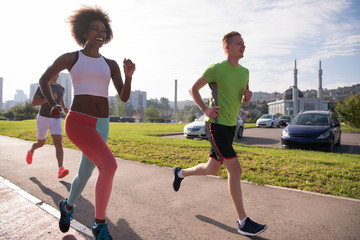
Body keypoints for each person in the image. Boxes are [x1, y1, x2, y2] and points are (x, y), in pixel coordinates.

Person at [38, 6, 135, 240]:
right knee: (109, 166)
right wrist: (52, 103)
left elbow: (123, 96)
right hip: (79, 123)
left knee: (84, 174)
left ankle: (67, 207)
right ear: (84, 31)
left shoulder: (110, 64)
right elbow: (43, 79)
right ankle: (99, 224)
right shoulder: (71, 58)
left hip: (102, 124)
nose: (100, 33)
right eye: (95, 28)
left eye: (103, 30)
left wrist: (129, 75)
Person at [172, 31, 267, 236]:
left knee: (212, 169)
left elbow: (241, 98)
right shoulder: (215, 69)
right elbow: (193, 90)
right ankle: (243, 222)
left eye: (244, 43)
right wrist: (205, 110)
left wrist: (247, 98)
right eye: (238, 43)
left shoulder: (245, 72)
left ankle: (180, 173)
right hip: (215, 126)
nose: (243, 46)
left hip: (230, 126)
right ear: (227, 47)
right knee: (235, 170)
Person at [26, 72, 69, 178]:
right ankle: (31, 150)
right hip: (43, 118)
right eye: (55, 72)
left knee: (58, 143)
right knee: (40, 143)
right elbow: (34, 103)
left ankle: (60, 169)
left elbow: (61, 99)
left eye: (58, 72)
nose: (57, 74)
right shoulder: (43, 87)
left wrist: (64, 108)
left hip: (56, 119)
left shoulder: (61, 88)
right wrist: (48, 98)